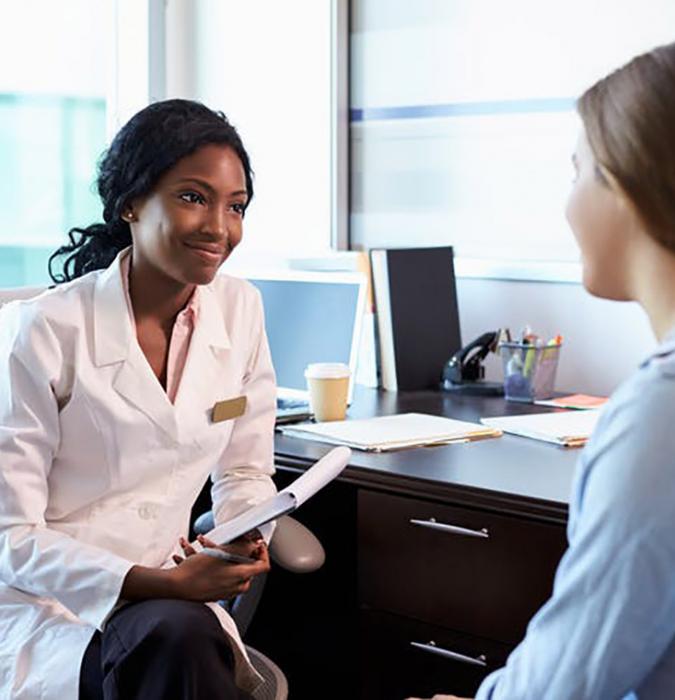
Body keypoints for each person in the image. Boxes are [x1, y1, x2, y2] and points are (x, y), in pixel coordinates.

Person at [409, 41, 675, 700]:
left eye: (577, 169)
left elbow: (568, 683)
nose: (566, 205)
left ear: (631, 183)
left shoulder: (657, 417)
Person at [0, 99, 278, 699]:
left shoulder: (241, 309)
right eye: (193, 197)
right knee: (177, 641)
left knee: (176, 640)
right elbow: (9, 538)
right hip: (46, 606)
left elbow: (247, 470)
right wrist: (163, 585)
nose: (219, 228)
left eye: (236, 207)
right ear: (130, 202)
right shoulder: (43, 331)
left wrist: (242, 532)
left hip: (170, 604)